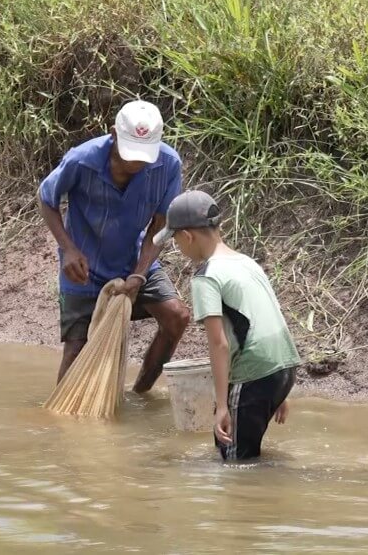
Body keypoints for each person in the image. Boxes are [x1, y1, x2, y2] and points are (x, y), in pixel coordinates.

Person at [38, 101, 191, 393]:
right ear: (113, 134)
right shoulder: (82, 160)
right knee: (76, 350)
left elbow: (159, 226)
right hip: (84, 268)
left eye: (144, 156)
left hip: (135, 260)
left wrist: (140, 274)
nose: (137, 164)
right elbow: (46, 199)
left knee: (177, 316)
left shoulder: (168, 164)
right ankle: (62, 412)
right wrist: (68, 249)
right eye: (131, 154)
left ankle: (140, 393)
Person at [153, 190, 301, 461]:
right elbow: (271, 316)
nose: (178, 247)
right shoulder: (246, 262)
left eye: (175, 240)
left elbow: (218, 343)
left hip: (253, 374)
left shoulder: (207, 277)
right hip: (283, 368)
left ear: (187, 236)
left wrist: (221, 406)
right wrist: (280, 390)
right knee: (240, 453)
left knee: (233, 465)